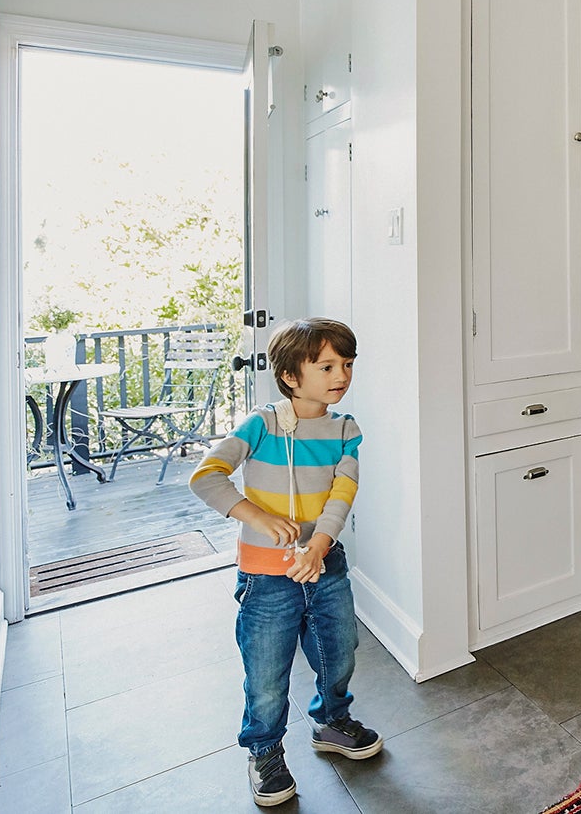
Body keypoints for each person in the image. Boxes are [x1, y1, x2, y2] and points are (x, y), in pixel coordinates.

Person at [190, 317, 382, 807]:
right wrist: (254, 514)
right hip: (266, 579)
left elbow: (343, 490)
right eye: (327, 365)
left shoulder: (346, 429)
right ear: (291, 376)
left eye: (347, 364)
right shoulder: (264, 423)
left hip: (326, 567)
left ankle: (331, 721)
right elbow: (206, 476)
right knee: (267, 675)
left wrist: (320, 543)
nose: (341, 374)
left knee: (339, 652)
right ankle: (264, 750)